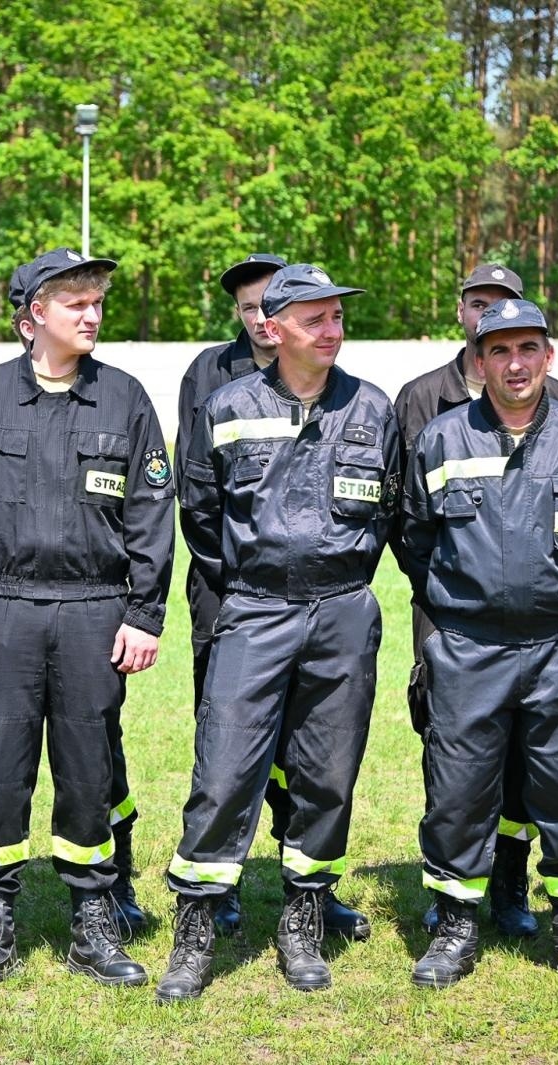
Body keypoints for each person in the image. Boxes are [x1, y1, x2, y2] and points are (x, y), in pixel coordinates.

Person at [0, 248, 175, 996]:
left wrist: (144, 611)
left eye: (96, 302)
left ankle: (93, 921)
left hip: (94, 610)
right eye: (75, 302)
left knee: (89, 765)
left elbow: (152, 512)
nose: (92, 314)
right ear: (35, 314)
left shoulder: (124, 398)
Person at [159, 263, 397, 1003]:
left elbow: (390, 508)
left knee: (327, 775)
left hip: (342, 607)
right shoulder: (227, 403)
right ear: (278, 324)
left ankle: (303, 919)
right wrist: (251, 582)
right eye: (317, 319)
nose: (333, 330)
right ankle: (196, 928)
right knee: (225, 768)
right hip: (255, 605)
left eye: (338, 318)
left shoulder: (373, 408)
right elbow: (199, 507)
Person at [402, 298, 558, 989]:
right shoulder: (440, 439)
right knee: (460, 789)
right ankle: (457, 920)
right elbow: (416, 539)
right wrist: (455, 620)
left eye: (528, 348)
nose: (515, 363)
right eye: (498, 350)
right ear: (478, 361)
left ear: (549, 357)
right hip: (470, 647)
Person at [392, 264, 558, 939]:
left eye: (502, 304)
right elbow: (406, 518)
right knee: (452, 745)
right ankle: (450, 892)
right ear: (461, 314)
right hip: (447, 610)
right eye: (477, 303)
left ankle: (509, 879)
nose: (487, 312)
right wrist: (450, 585)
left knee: (526, 751)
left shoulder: (554, 396)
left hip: (537, 618)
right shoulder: (419, 398)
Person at [170, 253, 311, 939]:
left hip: (306, 593)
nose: (259, 318)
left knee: (303, 740)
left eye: (268, 305)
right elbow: (196, 494)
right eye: (249, 307)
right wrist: (237, 578)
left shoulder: (319, 373)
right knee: (226, 734)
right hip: (225, 587)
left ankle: (302, 884)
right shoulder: (206, 372)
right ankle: (217, 885)